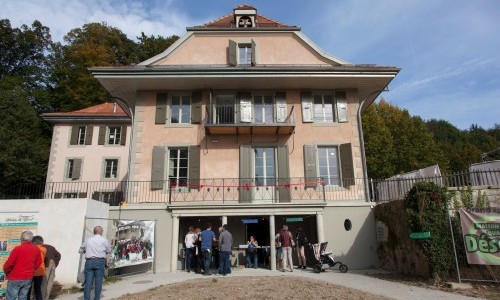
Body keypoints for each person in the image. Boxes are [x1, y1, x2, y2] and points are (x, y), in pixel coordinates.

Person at [3, 230, 42, 300]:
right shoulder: (36, 249)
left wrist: (6, 272)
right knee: (23, 297)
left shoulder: (18, 249)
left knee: (11, 298)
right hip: (28, 277)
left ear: (22, 239)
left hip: (15, 277)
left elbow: (9, 264)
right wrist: (31, 270)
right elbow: (38, 263)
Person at [79, 226, 111, 300]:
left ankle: (86, 298)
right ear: (100, 231)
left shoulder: (88, 240)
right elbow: (109, 250)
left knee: (88, 283)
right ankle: (96, 298)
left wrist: (86, 251)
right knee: (98, 283)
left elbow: (80, 250)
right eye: (102, 230)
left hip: (89, 261)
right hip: (100, 261)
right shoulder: (104, 240)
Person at [27, 236, 46, 300]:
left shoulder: (32, 248)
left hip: (32, 271)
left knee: (28, 289)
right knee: (37, 290)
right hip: (40, 272)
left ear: (34, 242)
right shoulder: (44, 249)